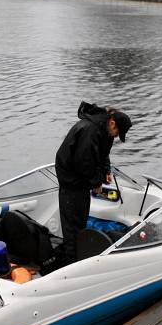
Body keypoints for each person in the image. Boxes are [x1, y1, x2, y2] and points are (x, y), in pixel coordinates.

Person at [54, 102, 132, 266]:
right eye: (117, 131)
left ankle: (78, 257)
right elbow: (84, 162)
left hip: (81, 182)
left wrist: (106, 172)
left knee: (81, 221)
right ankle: (71, 265)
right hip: (71, 182)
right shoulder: (90, 130)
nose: (117, 135)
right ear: (112, 123)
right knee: (72, 228)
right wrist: (96, 182)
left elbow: (103, 155)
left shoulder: (105, 133)